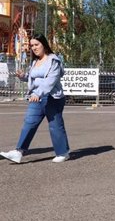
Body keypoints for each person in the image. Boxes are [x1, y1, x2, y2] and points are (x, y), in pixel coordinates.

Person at [0, 34, 70, 164]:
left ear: (44, 44)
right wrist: (23, 76)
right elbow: (34, 78)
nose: (34, 48)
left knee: (55, 126)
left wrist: (38, 93)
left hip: (52, 98)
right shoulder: (35, 62)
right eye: (32, 45)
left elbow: (50, 81)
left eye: (36, 44)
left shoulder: (53, 60)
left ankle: (63, 153)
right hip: (36, 98)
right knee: (29, 123)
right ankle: (19, 152)